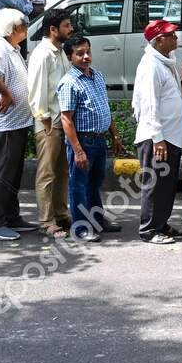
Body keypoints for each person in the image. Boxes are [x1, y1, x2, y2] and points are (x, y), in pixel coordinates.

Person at [58, 34, 121, 241]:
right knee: (78, 185)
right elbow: (66, 119)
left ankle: (96, 220)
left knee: (94, 183)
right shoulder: (69, 82)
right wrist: (78, 150)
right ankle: (80, 228)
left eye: (88, 52)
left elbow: (104, 107)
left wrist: (114, 133)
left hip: (99, 139)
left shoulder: (97, 76)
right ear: (70, 57)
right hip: (83, 141)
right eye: (79, 54)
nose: (86, 57)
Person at [0, 8, 36, 240]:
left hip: (18, 122)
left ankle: (11, 216)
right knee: (2, 173)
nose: (25, 29)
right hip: (5, 124)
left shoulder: (11, 49)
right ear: (12, 29)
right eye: (22, 26)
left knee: (13, 173)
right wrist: (6, 95)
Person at [131, 19, 182, 243]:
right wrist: (157, 139)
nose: (175, 38)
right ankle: (149, 230)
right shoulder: (151, 65)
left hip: (170, 136)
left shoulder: (165, 62)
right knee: (154, 187)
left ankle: (161, 224)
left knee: (166, 186)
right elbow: (149, 105)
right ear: (159, 40)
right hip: (158, 138)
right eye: (171, 35)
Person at [27, 8, 76, 238]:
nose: (71, 29)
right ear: (53, 30)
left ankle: (61, 213)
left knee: (62, 172)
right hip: (49, 122)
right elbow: (36, 90)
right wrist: (44, 119)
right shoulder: (42, 54)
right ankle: (46, 221)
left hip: (62, 121)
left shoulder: (60, 52)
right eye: (66, 26)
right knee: (47, 174)